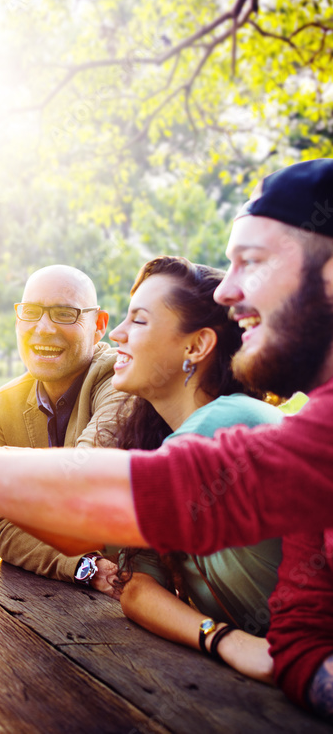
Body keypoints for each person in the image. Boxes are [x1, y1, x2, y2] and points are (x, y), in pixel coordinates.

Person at [0, 158, 333, 719]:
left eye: (251, 263)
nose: (229, 290)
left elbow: (84, 509)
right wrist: (229, 641)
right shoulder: (298, 433)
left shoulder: (226, 419)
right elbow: (297, 633)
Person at [108, 256, 282, 681]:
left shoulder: (229, 420)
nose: (118, 333)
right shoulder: (164, 437)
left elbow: (72, 520)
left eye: (140, 320)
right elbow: (136, 589)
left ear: (196, 346)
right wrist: (224, 639)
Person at [0, 264, 127, 597]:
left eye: (65, 314)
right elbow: (7, 531)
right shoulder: (4, 405)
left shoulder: (120, 378)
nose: (44, 328)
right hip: (57, 601)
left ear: (99, 326)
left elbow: (83, 472)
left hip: (143, 599)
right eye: (31, 313)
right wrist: (84, 567)